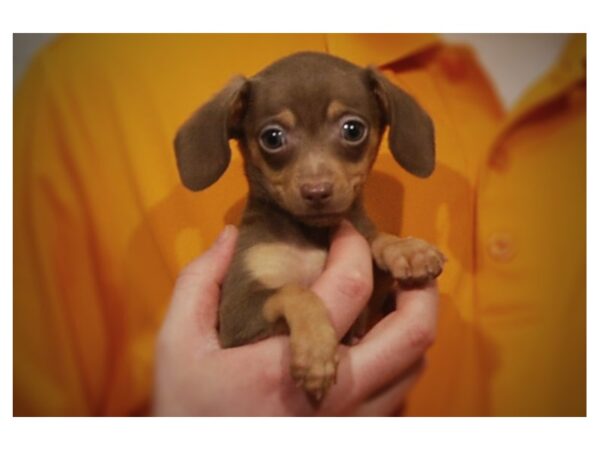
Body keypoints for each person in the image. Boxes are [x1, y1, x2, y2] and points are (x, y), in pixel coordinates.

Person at [14, 34, 585, 416]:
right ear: (236, 133)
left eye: (351, 133)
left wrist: (390, 251)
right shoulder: (91, 77)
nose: (317, 179)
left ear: (386, 121)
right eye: (276, 139)